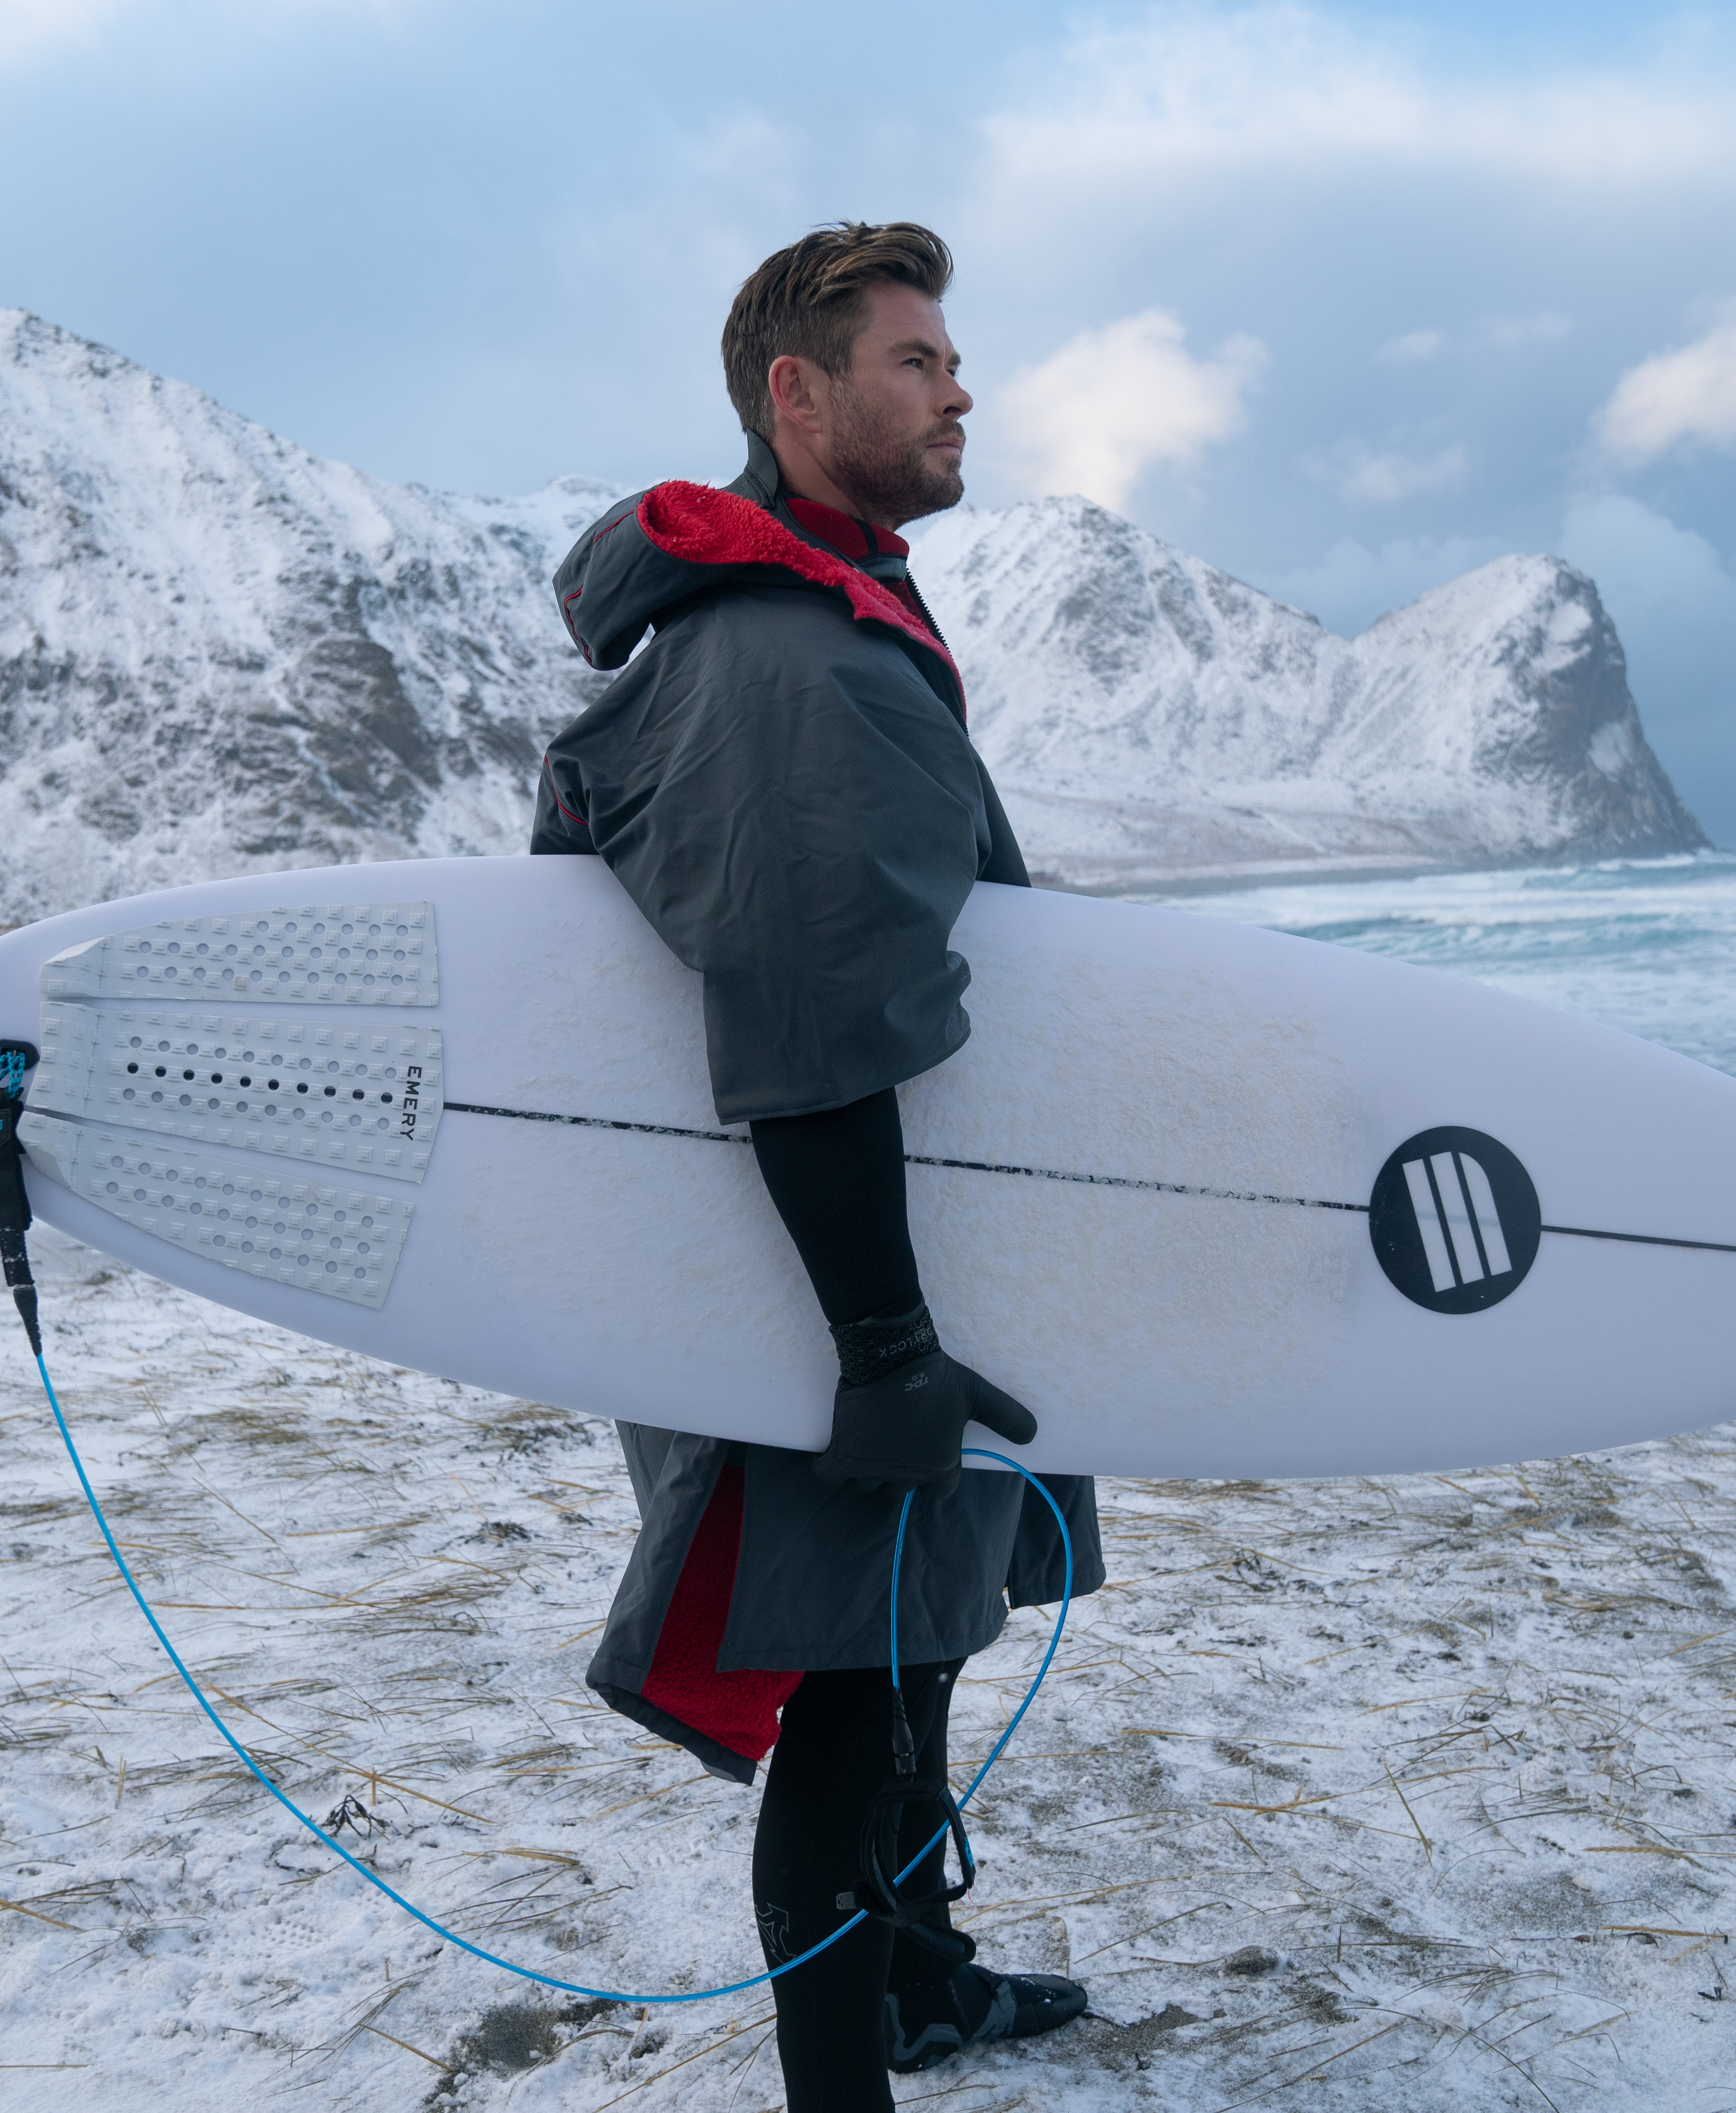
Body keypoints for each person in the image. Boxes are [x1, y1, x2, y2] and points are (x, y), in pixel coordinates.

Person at [531, 222, 1105, 2108]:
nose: (960, 390)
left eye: (954, 357)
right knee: (854, 1685)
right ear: (798, 393)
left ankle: (917, 1984)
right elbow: (806, 1011)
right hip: (821, 1260)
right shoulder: (780, 653)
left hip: (856, 1236)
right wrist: (885, 1343)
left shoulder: (820, 608)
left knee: (916, 1636)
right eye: (917, 360)